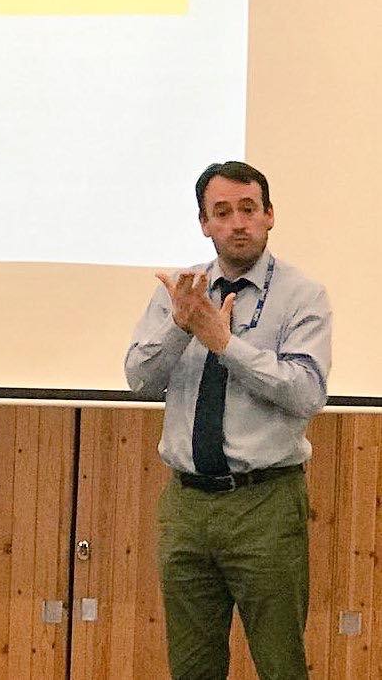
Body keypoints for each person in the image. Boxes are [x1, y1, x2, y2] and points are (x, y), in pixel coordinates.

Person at [125, 162, 332, 679]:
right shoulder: (181, 293)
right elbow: (140, 380)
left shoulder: (302, 296)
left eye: (248, 209)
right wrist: (180, 327)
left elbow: (306, 392)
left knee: (280, 664)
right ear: (203, 223)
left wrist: (224, 344)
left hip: (264, 502)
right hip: (187, 504)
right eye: (222, 212)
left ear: (269, 216)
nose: (237, 222)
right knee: (192, 668)